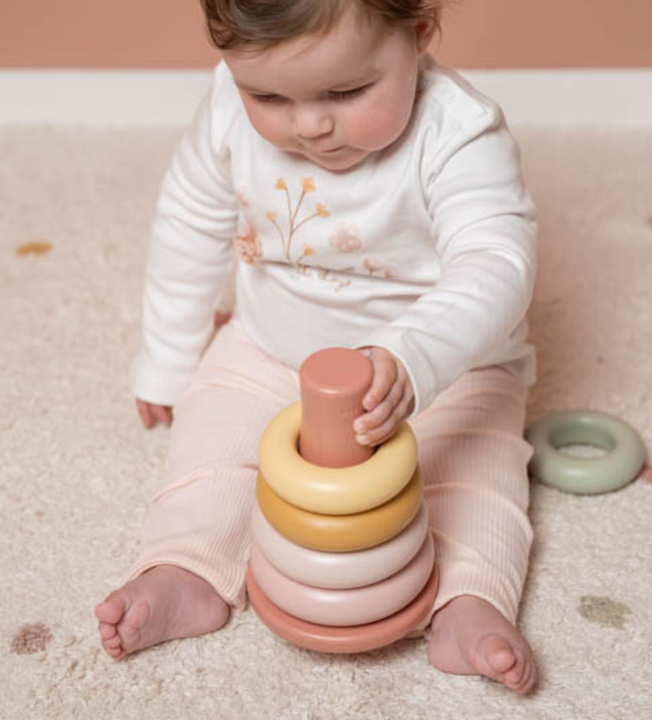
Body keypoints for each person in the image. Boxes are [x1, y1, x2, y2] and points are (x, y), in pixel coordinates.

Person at [94, 0, 538, 694]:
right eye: (268, 95)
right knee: (211, 449)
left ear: (419, 34)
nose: (308, 124)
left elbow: (496, 264)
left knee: (472, 476)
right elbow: (188, 223)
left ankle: (469, 601)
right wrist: (171, 357)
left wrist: (413, 357)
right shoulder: (225, 111)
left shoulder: (459, 132)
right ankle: (185, 569)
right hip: (270, 349)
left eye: (346, 92)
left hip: (448, 372)